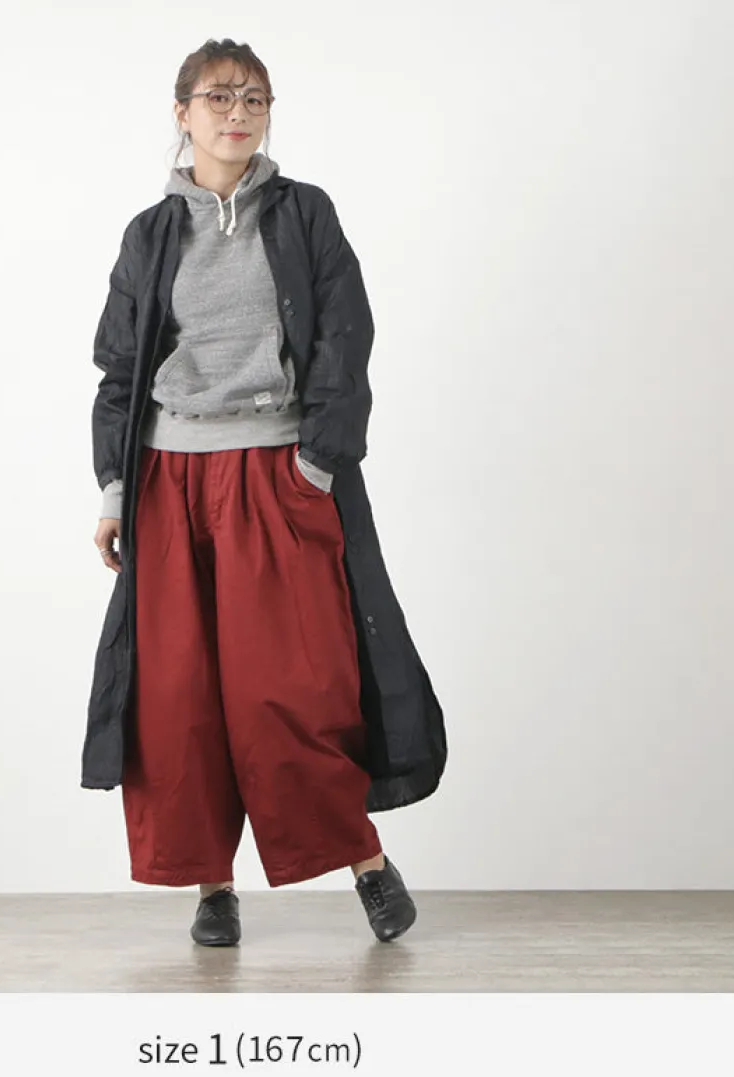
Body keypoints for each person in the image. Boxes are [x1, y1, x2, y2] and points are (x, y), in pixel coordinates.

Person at [81, 38, 447, 947]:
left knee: (289, 689)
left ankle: (366, 861)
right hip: (169, 483)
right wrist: (116, 491)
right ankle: (214, 887)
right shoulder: (149, 234)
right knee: (180, 697)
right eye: (218, 97)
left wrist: (316, 466)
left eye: (253, 98)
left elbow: (345, 341)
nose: (237, 113)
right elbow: (120, 369)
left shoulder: (304, 213)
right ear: (182, 113)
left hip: (275, 477)